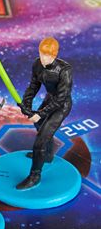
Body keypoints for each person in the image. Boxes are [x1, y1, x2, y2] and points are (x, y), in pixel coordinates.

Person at [17, 37, 73, 189]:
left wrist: (40, 114)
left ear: (54, 55)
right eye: (41, 54)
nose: (43, 58)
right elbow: (33, 86)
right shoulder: (37, 64)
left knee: (40, 141)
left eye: (47, 56)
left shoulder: (65, 70)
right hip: (49, 100)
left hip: (61, 106)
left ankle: (34, 176)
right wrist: (27, 104)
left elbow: (61, 98)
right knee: (39, 126)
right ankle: (47, 155)